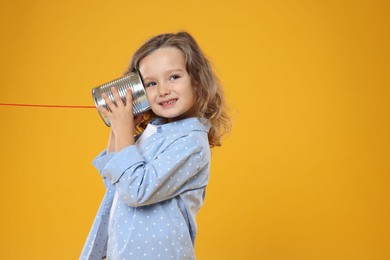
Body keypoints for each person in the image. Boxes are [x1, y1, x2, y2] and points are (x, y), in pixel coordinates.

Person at [80, 31, 231, 260]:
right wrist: (119, 130)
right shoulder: (155, 133)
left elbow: (136, 190)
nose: (163, 90)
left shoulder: (190, 142)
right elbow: (115, 182)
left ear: (197, 82)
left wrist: (124, 132)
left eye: (174, 77)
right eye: (151, 83)